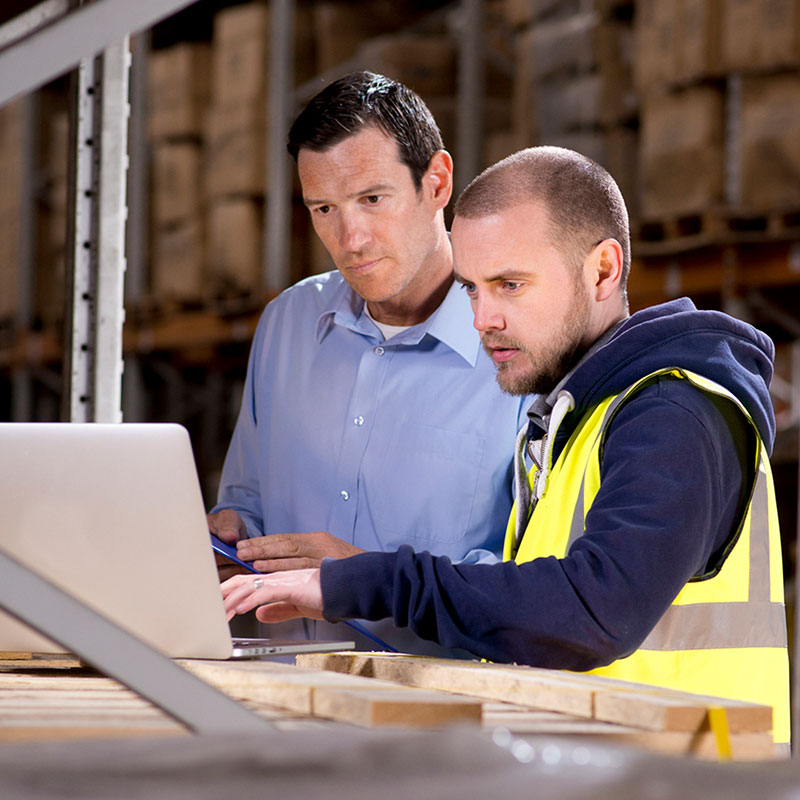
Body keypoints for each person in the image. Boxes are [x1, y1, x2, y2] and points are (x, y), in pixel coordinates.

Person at [221, 146, 790, 748]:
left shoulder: (675, 414)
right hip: (615, 775)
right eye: (471, 289)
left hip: (688, 780)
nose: (482, 318)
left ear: (602, 270)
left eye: (509, 285)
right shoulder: (574, 418)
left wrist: (364, 581)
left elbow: (595, 611)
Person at [207, 71, 530, 655]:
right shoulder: (286, 326)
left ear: (436, 182)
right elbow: (246, 502)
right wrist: (231, 538)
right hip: (290, 696)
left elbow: (536, 584)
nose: (349, 237)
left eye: (372, 200)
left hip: (451, 715)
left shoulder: (519, 349)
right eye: (323, 208)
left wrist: (364, 575)